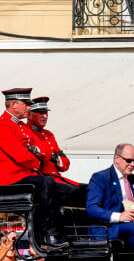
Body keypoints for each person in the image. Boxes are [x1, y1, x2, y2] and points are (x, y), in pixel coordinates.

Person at [0, 88, 68, 249]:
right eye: (26, 104)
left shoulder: (18, 126)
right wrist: (37, 161)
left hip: (23, 174)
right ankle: (47, 235)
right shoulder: (4, 125)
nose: (29, 107)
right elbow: (21, 155)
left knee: (65, 189)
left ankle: (68, 233)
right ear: (14, 105)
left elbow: (33, 150)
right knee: (46, 183)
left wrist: (35, 155)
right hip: (10, 177)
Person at [86, 143, 134, 252]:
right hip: (108, 227)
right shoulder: (101, 178)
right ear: (117, 159)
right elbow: (92, 208)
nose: (132, 164)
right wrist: (119, 216)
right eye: (129, 160)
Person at [27, 97, 82, 206]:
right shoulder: (26, 133)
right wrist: (51, 156)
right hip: (43, 179)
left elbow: (65, 164)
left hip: (56, 178)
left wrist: (56, 159)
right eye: (40, 113)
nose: (45, 116)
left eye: (46, 113)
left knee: (90, 190)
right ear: (29, 114)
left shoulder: (49, 135)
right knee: (73, 192)